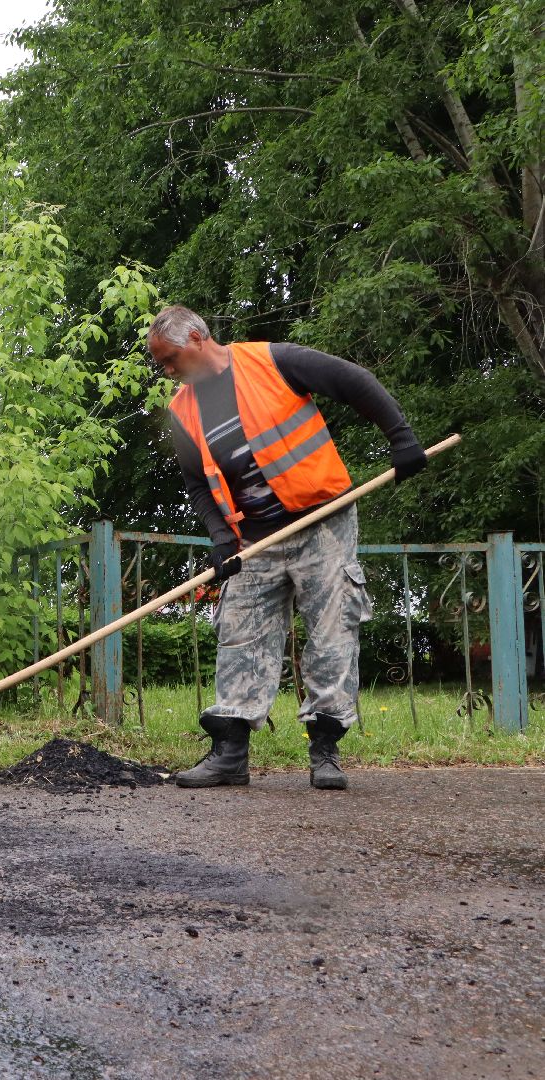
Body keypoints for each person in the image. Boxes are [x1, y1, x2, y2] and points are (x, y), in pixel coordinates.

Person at [151, 305, 426, 791]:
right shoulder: (181, 411)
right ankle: (229, 756)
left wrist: (401, 440)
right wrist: (220, 538)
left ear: (196, 338)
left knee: (330, 634)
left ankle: (325, 752)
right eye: (162, 366)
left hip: (322, 521)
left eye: (170, 359)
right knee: (238, 635)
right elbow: (196, 484)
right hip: (255, 539)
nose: (168, 372)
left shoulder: (272, 362)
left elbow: (354, 380)